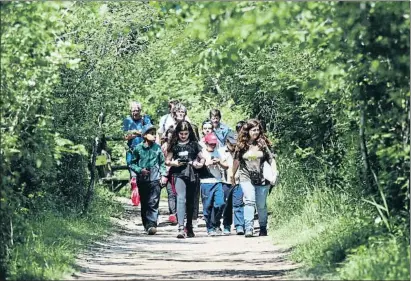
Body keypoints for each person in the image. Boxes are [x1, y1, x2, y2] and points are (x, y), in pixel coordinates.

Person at [231, 119, 278, 237]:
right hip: (246, 176)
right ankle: (249, 228)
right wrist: (232, 175)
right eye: (253, 130)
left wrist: (274, 173)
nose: (256, 132)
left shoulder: (262, 143)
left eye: (257, 130)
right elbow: (236, 161)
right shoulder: (241, 145)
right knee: (249, 201)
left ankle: (263, 227)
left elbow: (271, 159)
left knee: (261, 204)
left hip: (262, 178)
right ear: (248, 131)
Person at [165, 121, 205, 239]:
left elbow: (202, 158)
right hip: (178, 173)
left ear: (189, 133)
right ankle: (180, 227)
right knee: (180, 198)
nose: (183, 136)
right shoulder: (174, 145)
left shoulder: (194, 144)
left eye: (185, 133)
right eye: (181, 133)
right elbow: (167, 160)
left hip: (192, 173)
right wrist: (173, 163)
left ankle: (189, 225)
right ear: (177, 133)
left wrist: (199, 164)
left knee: (191, 200)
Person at [129, 125, 167, 235]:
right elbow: (132, 163)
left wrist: (164, 175)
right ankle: (146, 224)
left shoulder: (157, 148)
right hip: (143, 179)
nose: (154, 135)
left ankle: (152, 224)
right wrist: (140, 170)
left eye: (155, 133)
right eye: (151, 133)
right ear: (145, 135)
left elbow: (162, 163)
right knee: (145, 202)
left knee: (153, 202)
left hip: (155, 178)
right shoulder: (138, 148)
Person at [198, 133, 228, 236]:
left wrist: (219, 162)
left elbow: (226, 166)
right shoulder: (201, 153)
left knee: (220, 203)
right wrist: (208, 163)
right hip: (206, 182)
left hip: (217, 181)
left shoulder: (218, 152)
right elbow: (198, 166)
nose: (213, 146)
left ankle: (216, 223)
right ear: (206, 143)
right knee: (207, 206)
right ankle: (209, 227)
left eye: (214, 144)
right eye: (210, 144)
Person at [219, 130, 245, 235]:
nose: (233, 146)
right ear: (227, 141)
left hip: (239, 181)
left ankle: (239, 226)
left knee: (238, 203)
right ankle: (226, 225)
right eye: (231, 143)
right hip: (225, 181)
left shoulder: (241, 151)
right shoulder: (220, 151)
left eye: (235, 143)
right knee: (226, 205)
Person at [123, 101, 152, 177]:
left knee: (145, 173)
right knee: (133, 173)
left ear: (140, 111)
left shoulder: (145, 119)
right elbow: (125, 136)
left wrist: (136, 133)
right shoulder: (127, 121)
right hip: (132, 151)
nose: (135, 113)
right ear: (130, 111)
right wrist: (139, 133)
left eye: (137, 111)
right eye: (133, 111)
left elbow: (150, 134)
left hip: (144, 150)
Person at [161, 127, 177, 225]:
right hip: (165, 173)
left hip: (174, 173)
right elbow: (162, 161)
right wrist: (164, 174)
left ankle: (175, 214)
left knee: (174, 193)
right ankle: (172, 214)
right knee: (170, 193)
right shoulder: (163, 147)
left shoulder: (177, 147)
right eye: (169, 136)